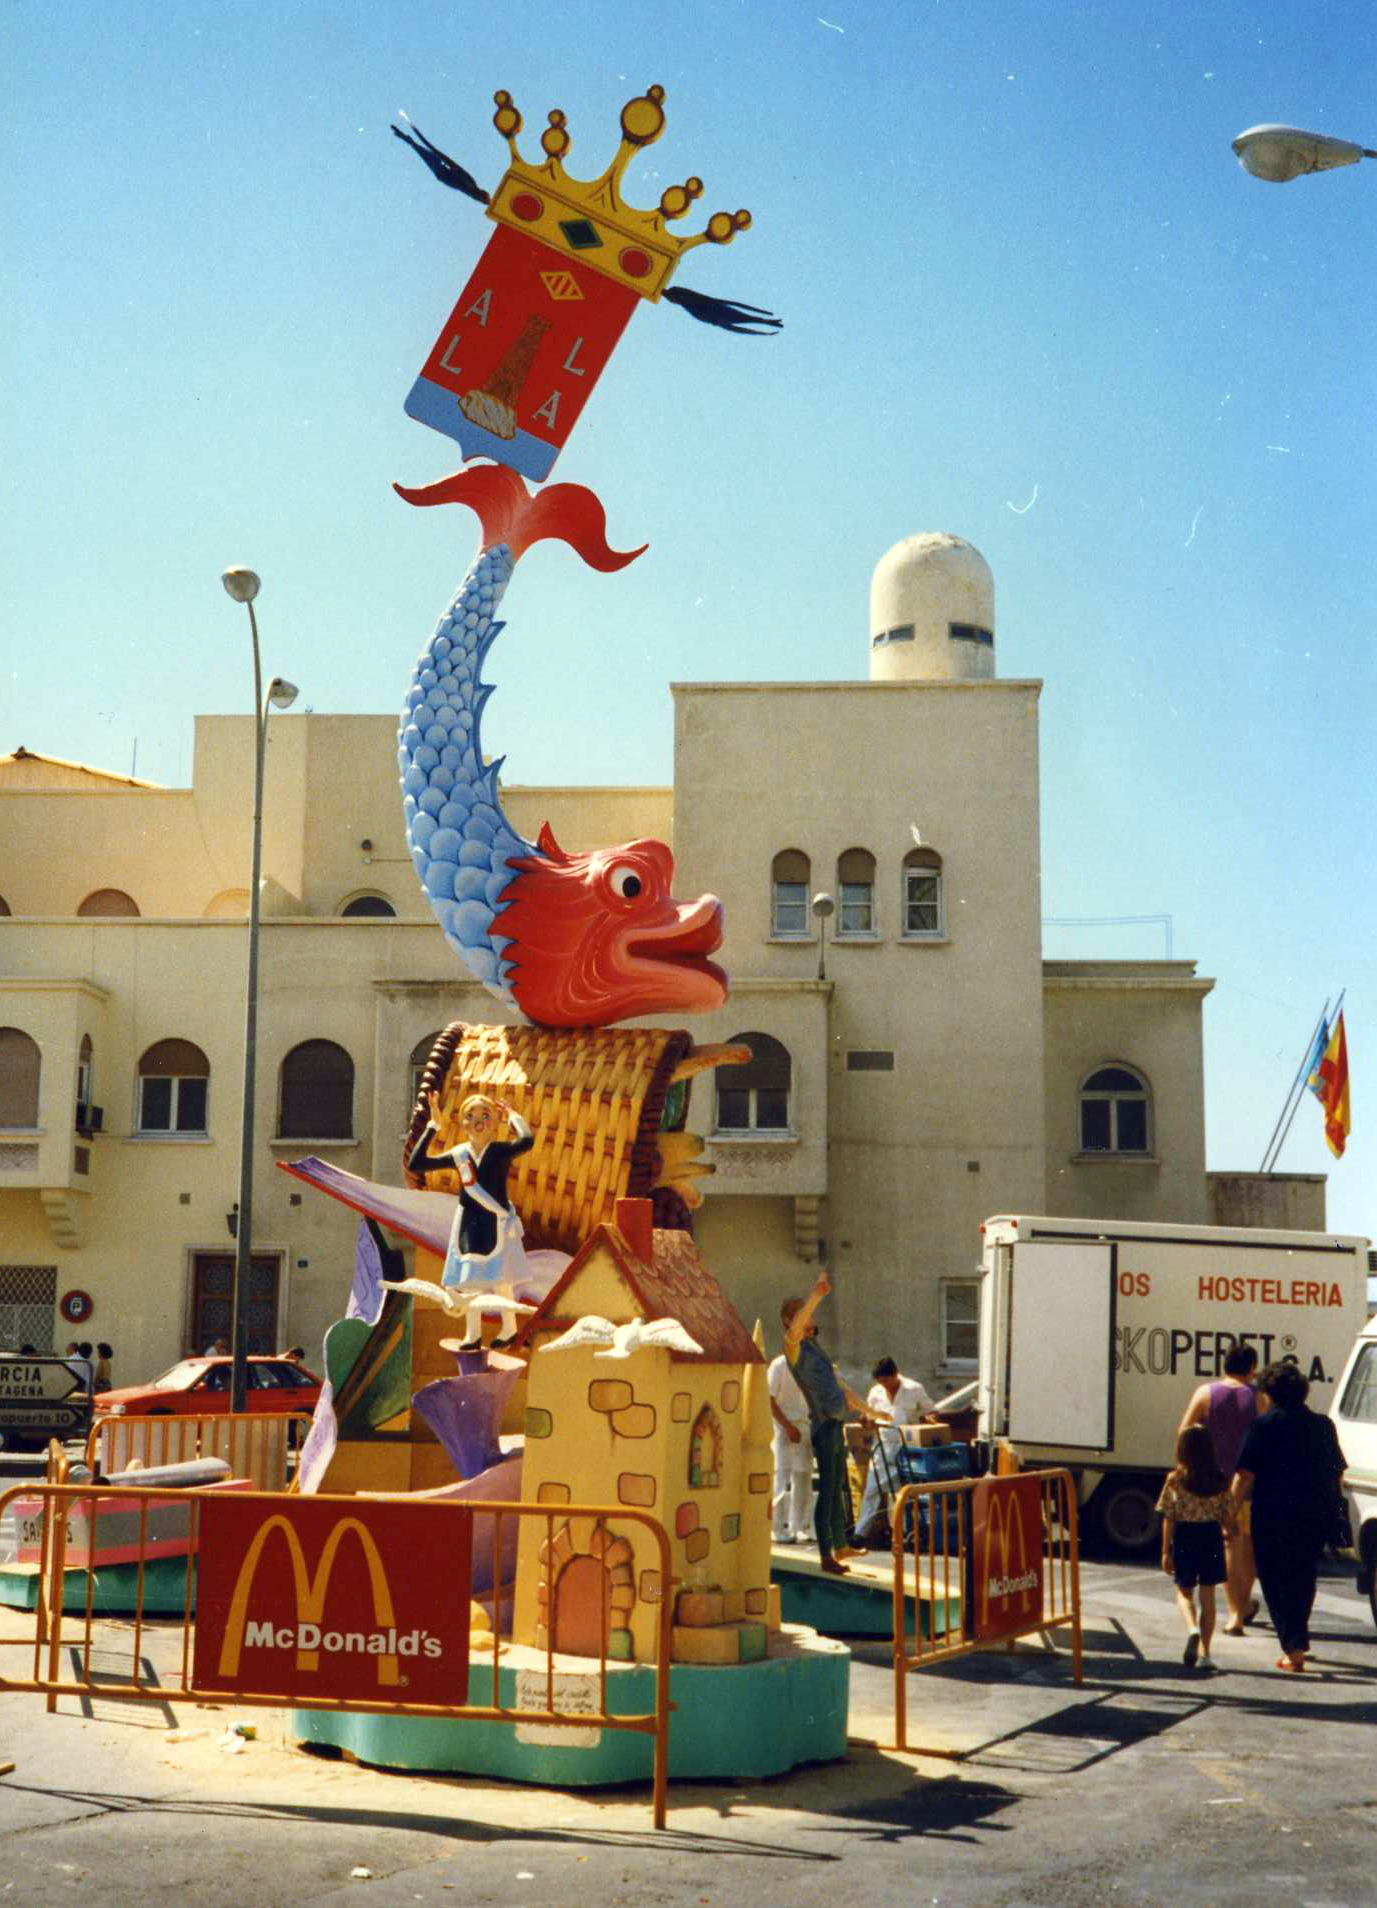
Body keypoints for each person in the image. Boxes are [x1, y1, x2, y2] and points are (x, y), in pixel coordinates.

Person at [1232, 1361, 1347, 1673]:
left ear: (1270, 1394)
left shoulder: (1263, 1426)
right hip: (1313, 1512)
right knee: (1303, 1575)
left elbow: (1244, 1475)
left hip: (1272, 1513)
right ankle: (1297, 1639)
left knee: (1274, 1577)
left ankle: (1294, 1648)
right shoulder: (1323, 1425)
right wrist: (1334, 1510)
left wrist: (1228, 1510)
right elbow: (1337, 1475)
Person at [407, 1091, 535, 1341]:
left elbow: (527, 1141)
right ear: (462, 1123)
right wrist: (433, 1125)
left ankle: (509, 1328)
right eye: (470, 1115)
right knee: (469, 1281)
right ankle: (473, 1334)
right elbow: (416, 1164)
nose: (478, 1121)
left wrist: (513, 1116)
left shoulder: (500, 1151)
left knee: (501, 1279)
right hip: (469, 1223)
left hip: (495, 1221)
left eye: (485, 1115)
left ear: (494, 1122)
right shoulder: (459, 1155)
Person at [783, 1273, 880, 1575]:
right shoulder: (793, 1346)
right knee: (827, 1490)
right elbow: (799, 1325)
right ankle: (827, 1554)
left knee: (837, 1486)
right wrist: (817, 1295)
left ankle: (840, 1545)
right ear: (790, 1320)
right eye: (802, 1314)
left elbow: (842, 1388)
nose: (810, 1318)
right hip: (823, 1426)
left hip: (835, 1424)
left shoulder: (816, 1349)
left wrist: (871, 1412)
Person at [1179, 1342, 1259, 1633]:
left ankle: (1234, 1613)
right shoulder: (1258, 1397)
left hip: (1214, 1485)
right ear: (1252, 1367)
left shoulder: (1205, 1393)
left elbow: (1184, 1433)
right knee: (1246, 1546)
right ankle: (1244, 1606)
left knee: (1227, 1545)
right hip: (1249, 1483)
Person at [1157, 1423, 1234, 1670]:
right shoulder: (1219, 1478)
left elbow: (1168, 1517)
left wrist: (1165, 1551)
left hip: (1186, 1536)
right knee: (1208, 1595)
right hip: (1211, 1536)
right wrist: (1230, 1532)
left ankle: (1191, 1630)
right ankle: (1206, 1654)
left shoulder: (1176, 1479)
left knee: (1184, 1591)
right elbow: (1227, 1517)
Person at [855, 1357, 940, 1541]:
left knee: (903, 1494)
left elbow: (931, 1410)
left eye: (886, 1380)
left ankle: (903, 1534)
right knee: (872, 1489)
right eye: (880, 1382)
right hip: (882, 1446)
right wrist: (866, 1421)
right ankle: (860, 1534)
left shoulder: (914, 1389)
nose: (884, 1385)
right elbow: (868, 1416)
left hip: (906, 1448)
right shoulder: (876, 1392)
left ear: (895, 1375)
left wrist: (929, 1419)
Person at [768, 1334, 814, 1543]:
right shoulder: (778, 1365)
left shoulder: (808, 1366)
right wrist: (787, 1427)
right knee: (781, 1477)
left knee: (803, 1477)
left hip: (804, 1426)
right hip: (782, 1428)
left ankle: (800, 1528)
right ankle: (777, 1528)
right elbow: (768, 1400)